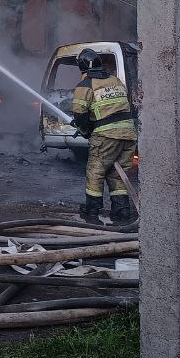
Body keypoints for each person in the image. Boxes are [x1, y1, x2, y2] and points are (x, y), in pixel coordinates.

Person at [71, 48, 138, 226]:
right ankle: (122, 211)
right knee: (117, 175)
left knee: (96, 171)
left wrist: (85, 130)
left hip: (106, 136)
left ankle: (92, 211)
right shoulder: (115, 81)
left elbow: (79, 114)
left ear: (82, 67)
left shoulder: (85, 85)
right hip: (128, 134)